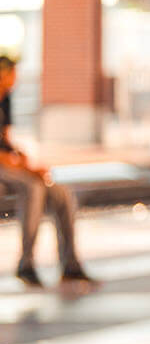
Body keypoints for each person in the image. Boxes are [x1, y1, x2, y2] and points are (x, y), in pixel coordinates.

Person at [0, 54, 93, 288]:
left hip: (8, 165)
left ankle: (70, 265)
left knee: (59, 191)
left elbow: (6, 141)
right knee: (34, 188)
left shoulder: (6, 99)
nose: (16, 78)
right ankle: (26, 264)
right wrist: (23, 167)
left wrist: (26, 161)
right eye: (12, 73)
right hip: (4, 167)